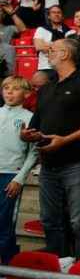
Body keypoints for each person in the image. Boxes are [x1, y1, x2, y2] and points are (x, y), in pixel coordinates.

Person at [20, 38, 80, 259]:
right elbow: (35, 124)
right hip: (48, 165)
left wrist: (64, 140)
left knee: (79, 220)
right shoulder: (47, 87)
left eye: (53, 49)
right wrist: (26, 134)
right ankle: (57, 261)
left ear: (65, 54)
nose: (48, 52)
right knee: (49, 219)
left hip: (76, 163)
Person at [0, 76, 38, 264]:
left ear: (26, 94)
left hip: (10, 176)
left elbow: (33, 153)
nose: (9, 92)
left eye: (15, 89)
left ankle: (8, 266)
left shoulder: (29, 118)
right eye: (6, 88)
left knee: (5, 221)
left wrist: (20, 178)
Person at [33, 5, 74, 75]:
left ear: (62, 16)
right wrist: (61, 47)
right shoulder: (41, 30)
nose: (56, 14)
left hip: (64, 68)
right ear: (48, 16)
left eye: (59, 12)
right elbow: (39, 47)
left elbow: (70, 50)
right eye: (53, 12)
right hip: (45, 67)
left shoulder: (71, 32)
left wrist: (48, 45)